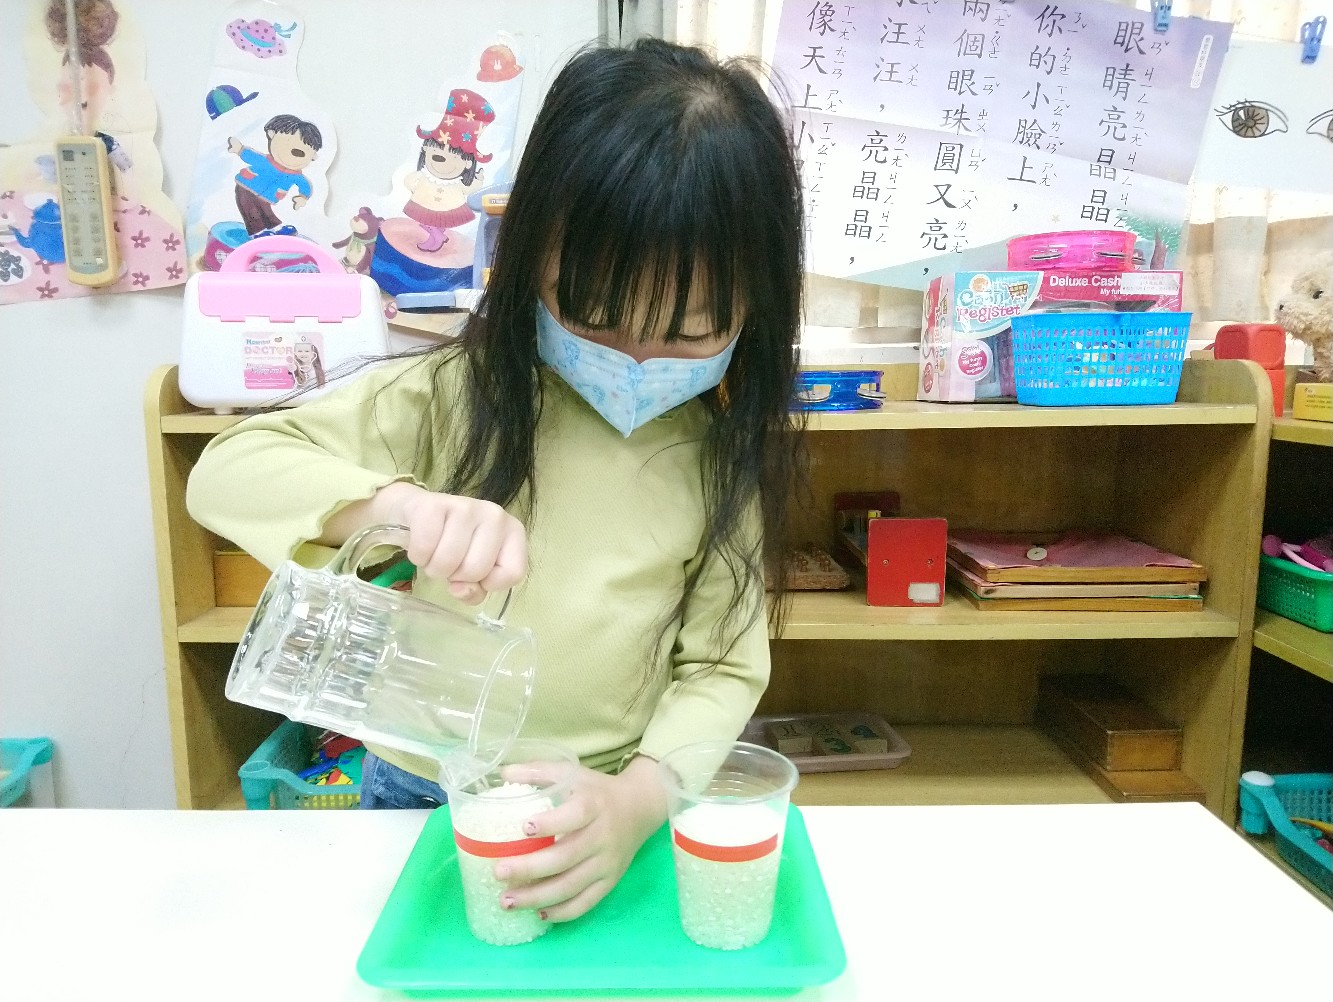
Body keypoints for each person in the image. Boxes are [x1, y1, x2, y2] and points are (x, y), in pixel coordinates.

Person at [186, 37, 805, 922]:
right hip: (425, 791)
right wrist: (398, 507)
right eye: (592, 314)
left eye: (687, 332)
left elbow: (720, 667)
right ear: (528, 256)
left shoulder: (718, 454)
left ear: (757, 308)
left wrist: (636, 803)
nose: (634, 359)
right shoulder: (450, 394)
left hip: (605, 804)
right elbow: (226, 472)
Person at [228, 113, 323, 237]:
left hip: (268, 196)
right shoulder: (266, 161)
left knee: (266, 210)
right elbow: (252, 157)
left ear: (313, 156)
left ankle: (276, 227)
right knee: (250, 210)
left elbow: (305, 186)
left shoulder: (296, 175)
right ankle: (258, 232)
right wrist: (240, 149)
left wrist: (303, 197)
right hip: (246, 187)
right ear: (272, 135)